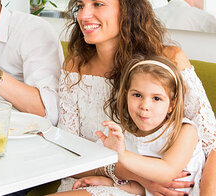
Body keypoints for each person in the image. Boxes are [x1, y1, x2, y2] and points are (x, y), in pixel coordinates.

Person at [56, 0, 216, 195]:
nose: (83, 15)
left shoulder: (167, 62)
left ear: (127, 10)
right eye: (80, 6)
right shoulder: (75, 67)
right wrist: (137, 179)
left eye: (98, 4)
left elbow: (212, 147)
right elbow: (69, 151)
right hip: (109, 182)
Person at [55, 56, 204, 196]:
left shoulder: (185, 131)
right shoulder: (124, 133)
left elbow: (166, 173)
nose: (145, 106)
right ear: (126, 95)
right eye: (137, 95)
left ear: (171, 104)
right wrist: (109, 182)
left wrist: (122, 155)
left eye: (156, 98)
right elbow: (140, 186)